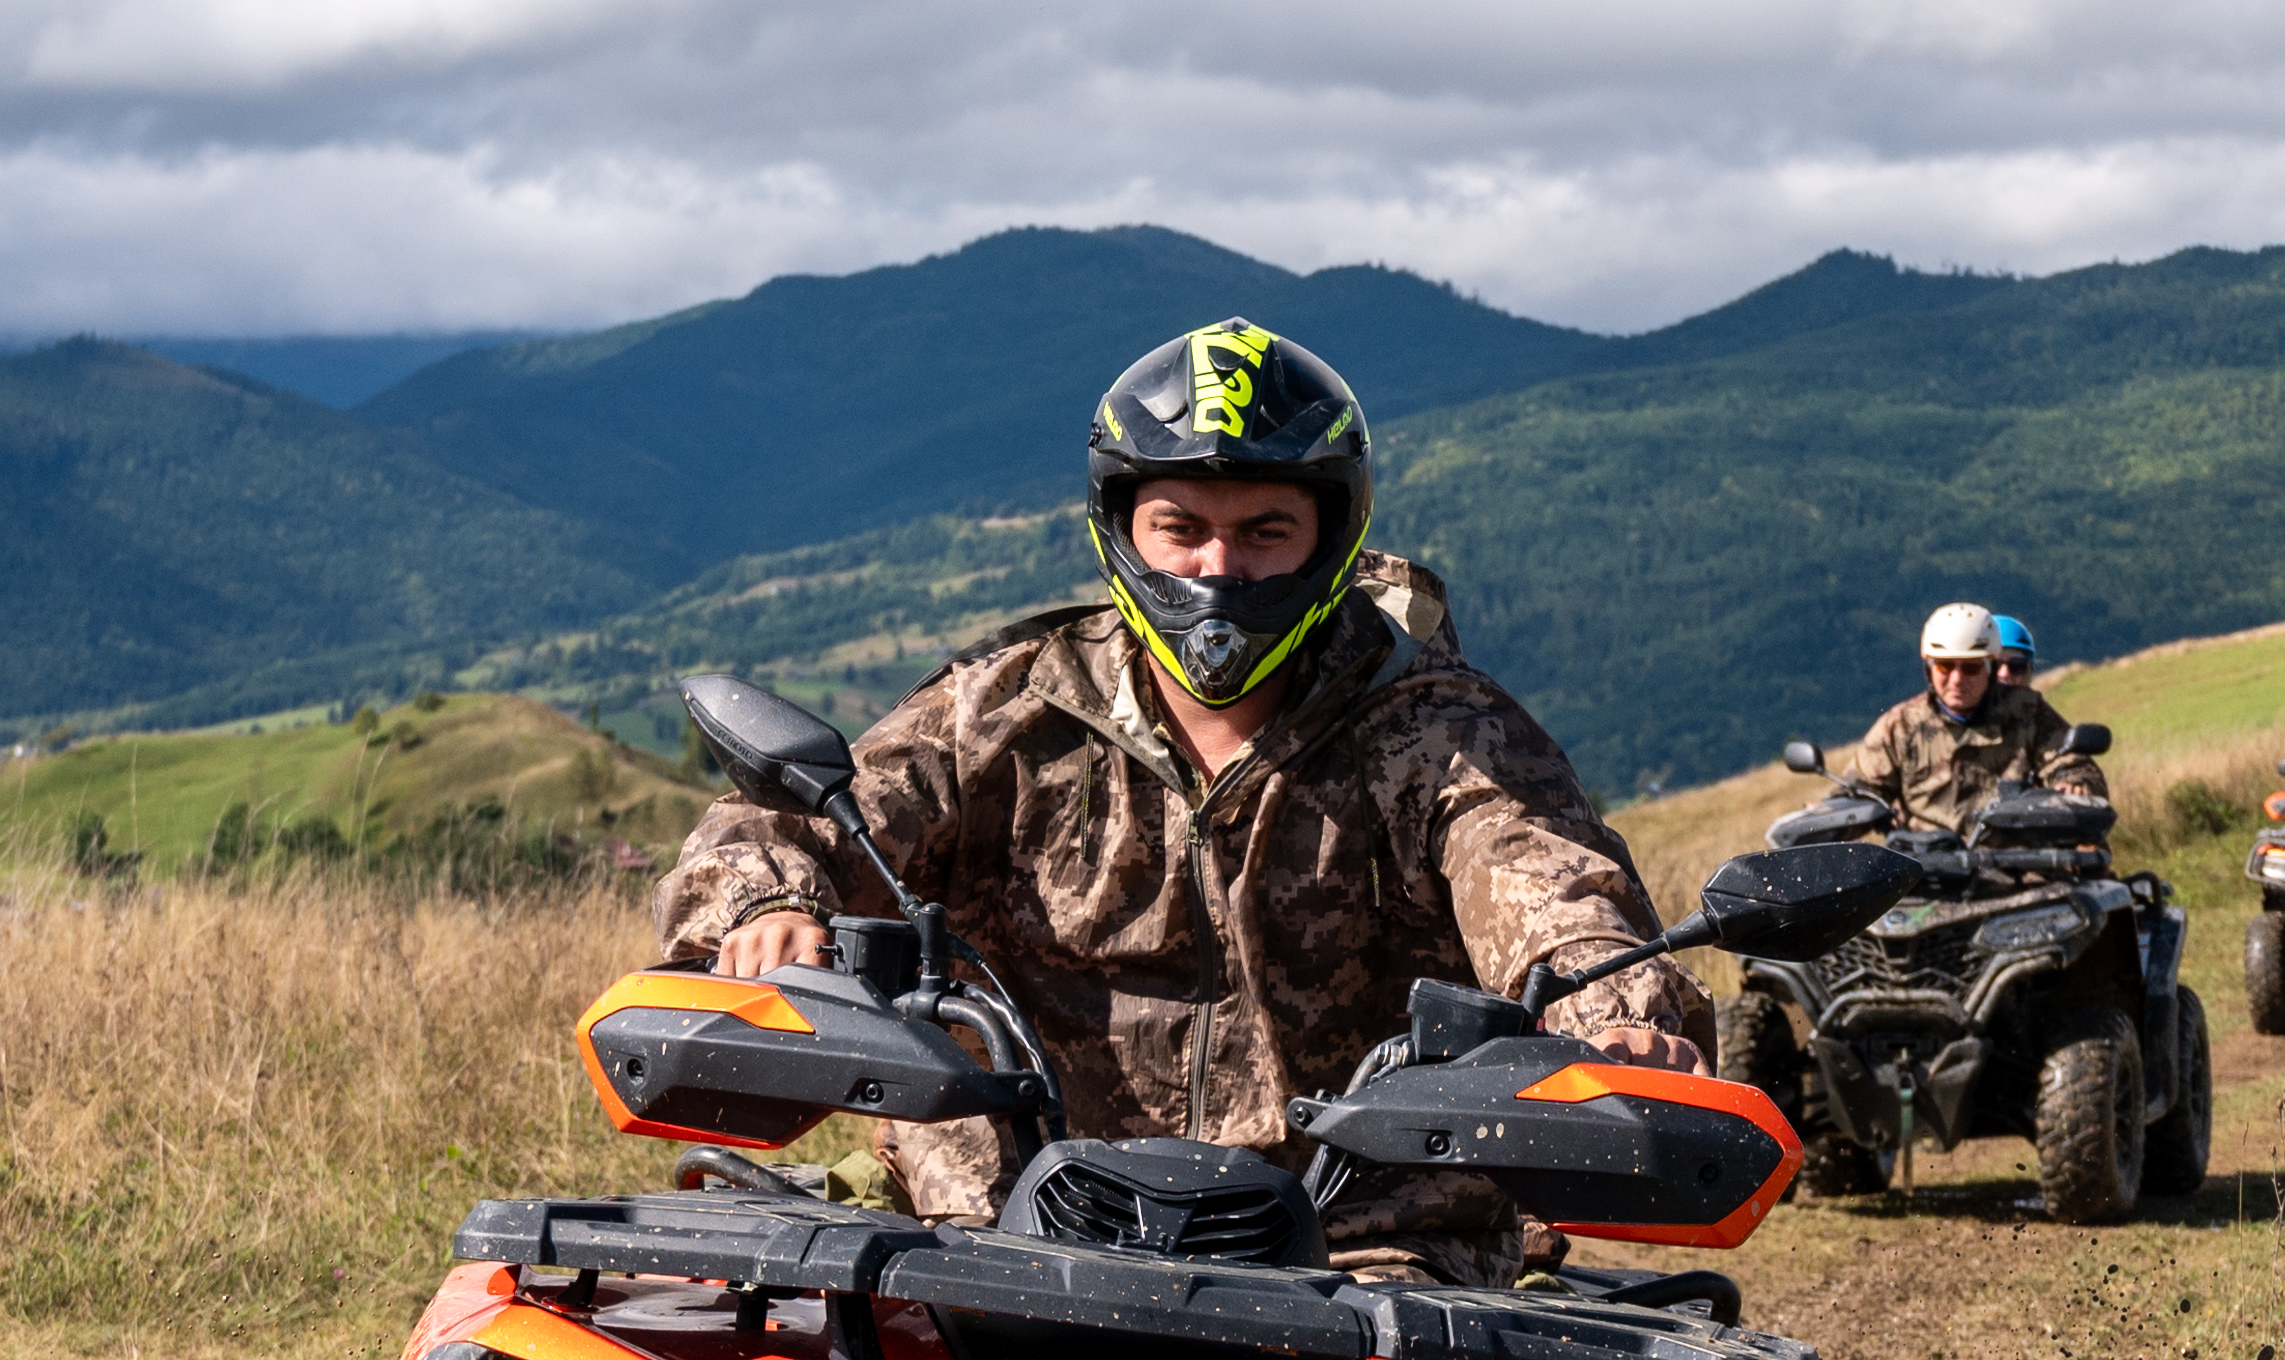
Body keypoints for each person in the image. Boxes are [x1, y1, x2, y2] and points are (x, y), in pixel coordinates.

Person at [656, 319, 1703, 1263]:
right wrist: (769, 907)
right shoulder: (1007, 713)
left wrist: (1612, 1013)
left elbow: (1547, 879)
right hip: (1010, 1235)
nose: (1217, 567)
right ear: (1123, 526)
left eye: (1262, 531)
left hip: (1360, 1259)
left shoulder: (1440, 732)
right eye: (1182, 526)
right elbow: (795, 817)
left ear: (1327, 535)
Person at [1818, 600, 2111, 829]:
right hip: (1926, 878)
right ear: (1929, 669)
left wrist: (2073, 783)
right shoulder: (1900, 726)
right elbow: (1859, 794)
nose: (1957, 679)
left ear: (1991, 669)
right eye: (1946, 666)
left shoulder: (2027, 712)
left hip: (2022, 872)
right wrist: (1823, 819)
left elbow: (2070, 763)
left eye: (1971, 668)